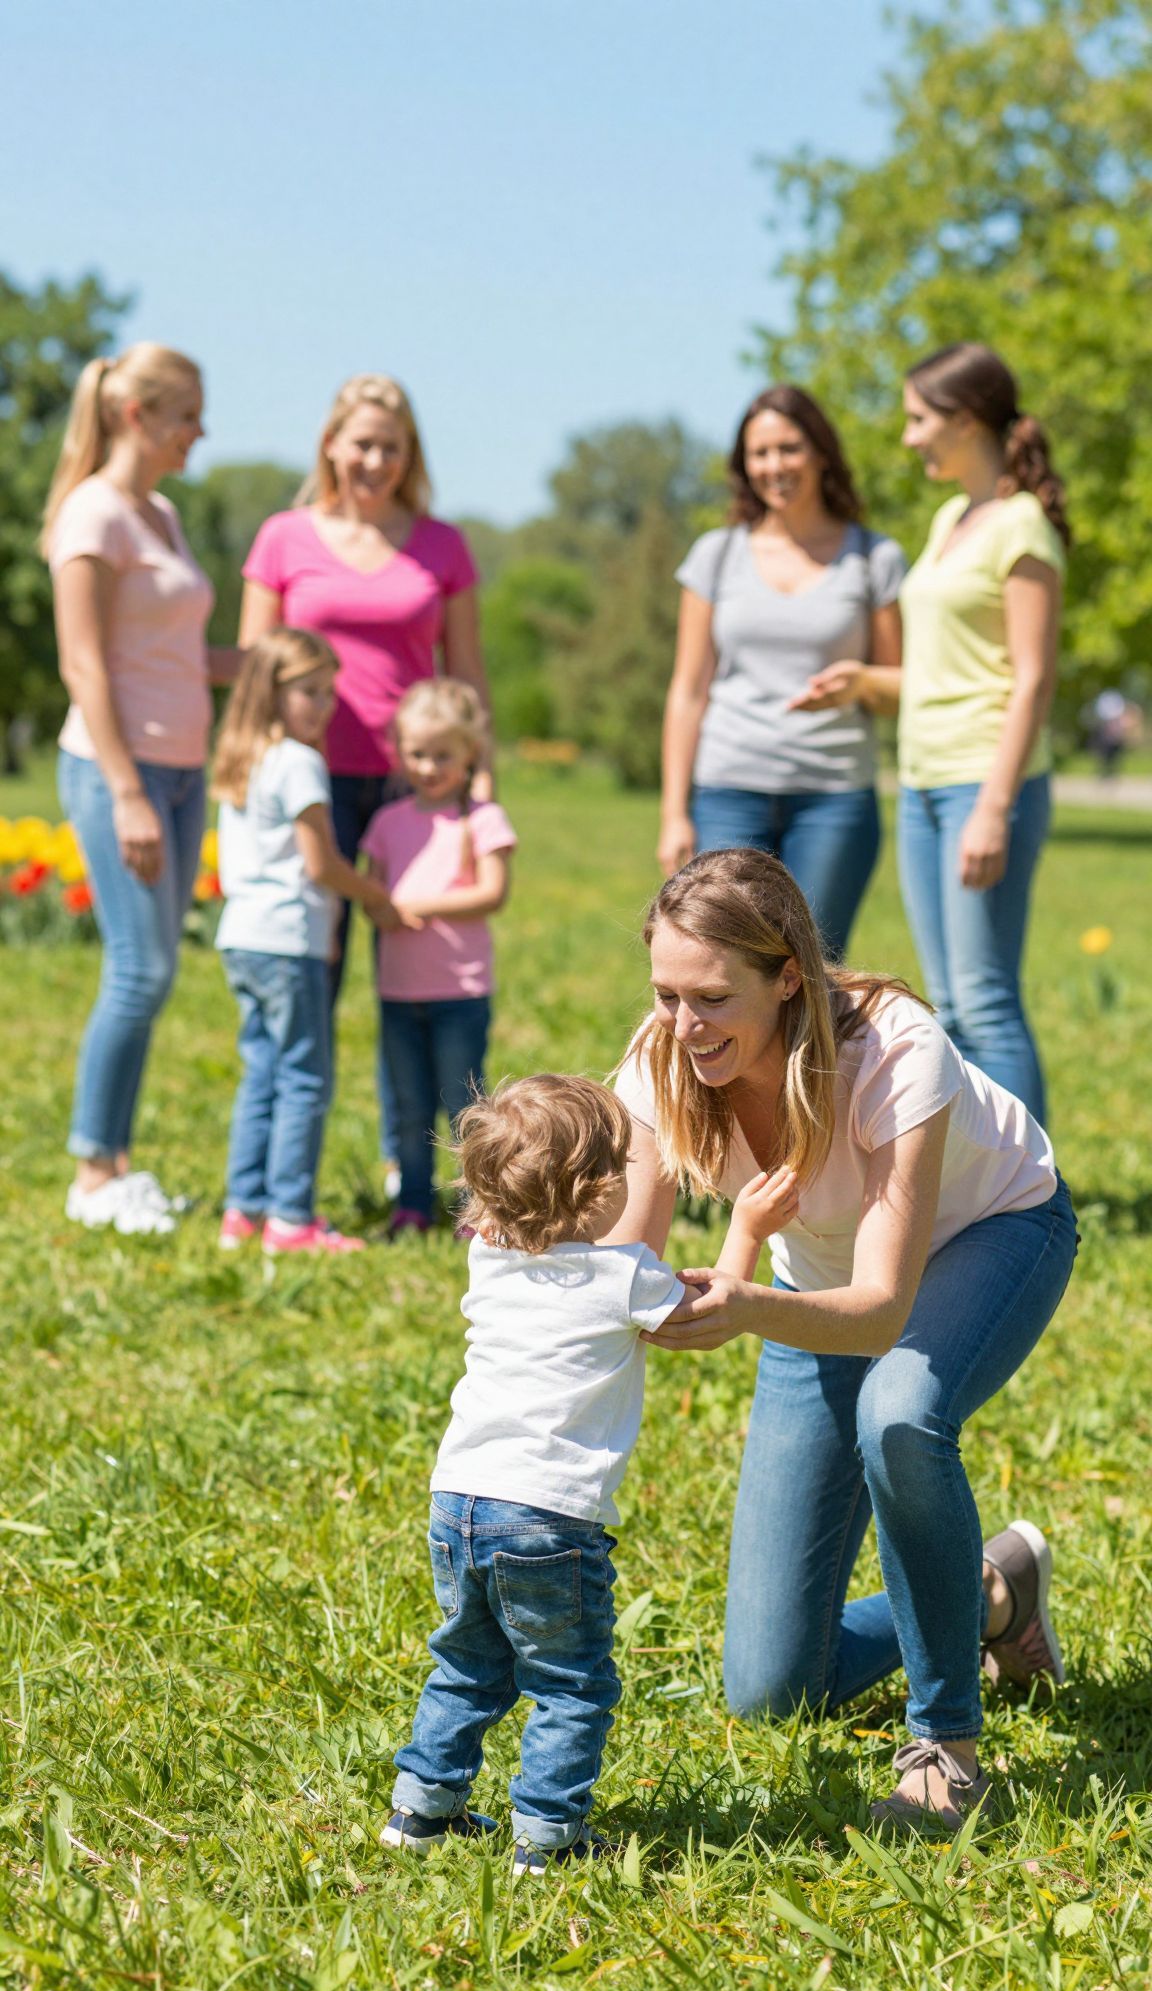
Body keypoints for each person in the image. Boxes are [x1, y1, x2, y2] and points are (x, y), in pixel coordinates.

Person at [611, 849, 1077, 1833]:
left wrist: (737, 1304)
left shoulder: (895, 1047)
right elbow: (625, 1258)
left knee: (900, 1411)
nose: (683, 1024)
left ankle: (945, 1746)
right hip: (806, 1289)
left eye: (710, 996)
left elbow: (877, 1310)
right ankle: (991, 1593)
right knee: (772, 1685)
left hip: (991, 1235)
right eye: (665, 993)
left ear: (789, 978)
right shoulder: (663, 1056)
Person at [382, 1073, 799, 1872]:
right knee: (572, 1685)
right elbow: (703, 1312)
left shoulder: (489, 1264)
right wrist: (745, 1226)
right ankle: (547, 1837)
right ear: (598, 1189)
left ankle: (419, 1811)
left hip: (459, 1498)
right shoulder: (618, 1278)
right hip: (548, 1518)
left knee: (466, 1665)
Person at [795, 345, 1068, 1124]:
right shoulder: (953, 518)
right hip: (920, 782)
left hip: (984, 781)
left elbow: (1032, 679)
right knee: (949, 999)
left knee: (984, 999)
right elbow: (946, 670)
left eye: (919, 419)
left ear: (965, 420)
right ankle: (985, 1179)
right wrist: (863, 683)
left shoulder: (1023, 529)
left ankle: (1032, 1195)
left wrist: (993, 804)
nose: (909, 437)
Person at [239, 375, 491, 1192]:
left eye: (391, 445)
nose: (375, 459)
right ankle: (283, 1172)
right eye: (361, 443)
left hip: (409, 788)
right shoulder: (283, 537)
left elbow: (469, 675)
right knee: (314, 970)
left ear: (409, 453)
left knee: (410, 974)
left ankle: (404, 1160)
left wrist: (479, 787)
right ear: (331, 445)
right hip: (303, 780)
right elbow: (254, 672)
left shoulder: (442, 546)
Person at [43, 343, 239, 1234]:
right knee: (140, 968)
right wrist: (124, 790)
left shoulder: (160, 514)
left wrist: (255, 665)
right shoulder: (92, 514)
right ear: (137, 416)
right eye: (187, 413)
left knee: (152, 975)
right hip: (113, 765)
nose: (199, 429)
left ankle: (118, 1167)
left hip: (181, 762)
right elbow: (84, 665)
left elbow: (172, 655)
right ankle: (93, 1174)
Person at [657, 385, 905, 959]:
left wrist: (861, 682)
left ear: (820, 451)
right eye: (759, 453)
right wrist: (674, 813)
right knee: (721, 961)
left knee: (811, 968)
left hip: (833, 798)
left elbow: (898, 689)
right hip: (727, 789)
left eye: (789, 448)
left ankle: (812, 1057)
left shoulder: (873, 558)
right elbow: (688, 692)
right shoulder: (716, 556)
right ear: (743, 465)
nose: (775, 466)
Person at [212, 628, 416, 1255]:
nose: (325, 704)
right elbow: (322, 864)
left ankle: (243, 1209)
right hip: (286, 937)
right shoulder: (301, 761)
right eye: (309, 691)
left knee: (263, 1071)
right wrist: (376, 895)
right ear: (271, 692)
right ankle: (292, 1219)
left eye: (329, 691)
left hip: (241, 936)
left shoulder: (244, 755)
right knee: (304, 1079)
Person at [360, 681, 516, 1236]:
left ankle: (478, 1206)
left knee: (463, 1103)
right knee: (407, 1104)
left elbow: (493, 893)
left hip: (459, 992)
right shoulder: (387, 822)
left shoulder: (482, 819)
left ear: (470, 752)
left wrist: (417, 905)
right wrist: (380, 908)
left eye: (443, 755)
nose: (428, 766)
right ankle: (411, 1205)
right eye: (417, 754)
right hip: (399, 991)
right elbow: (373, 895)